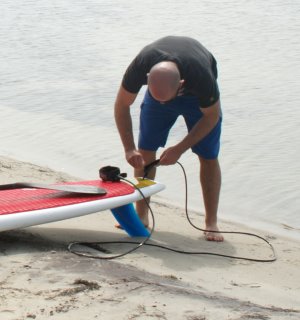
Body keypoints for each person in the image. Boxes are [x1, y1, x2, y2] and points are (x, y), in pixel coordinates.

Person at [114, 36, 223, 241]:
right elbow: (121, 105)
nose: (163, 104)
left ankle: (211, 222)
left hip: (196, 101)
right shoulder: (140, 66)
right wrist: (129, 148)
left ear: (181, 84)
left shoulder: (201, 77)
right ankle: (141, 215)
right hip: (161, 90)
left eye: (166, 100)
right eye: (156, 96)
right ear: (147, 79)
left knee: (208, 155)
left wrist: (179, 148)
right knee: (144, 151)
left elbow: (211, 116)